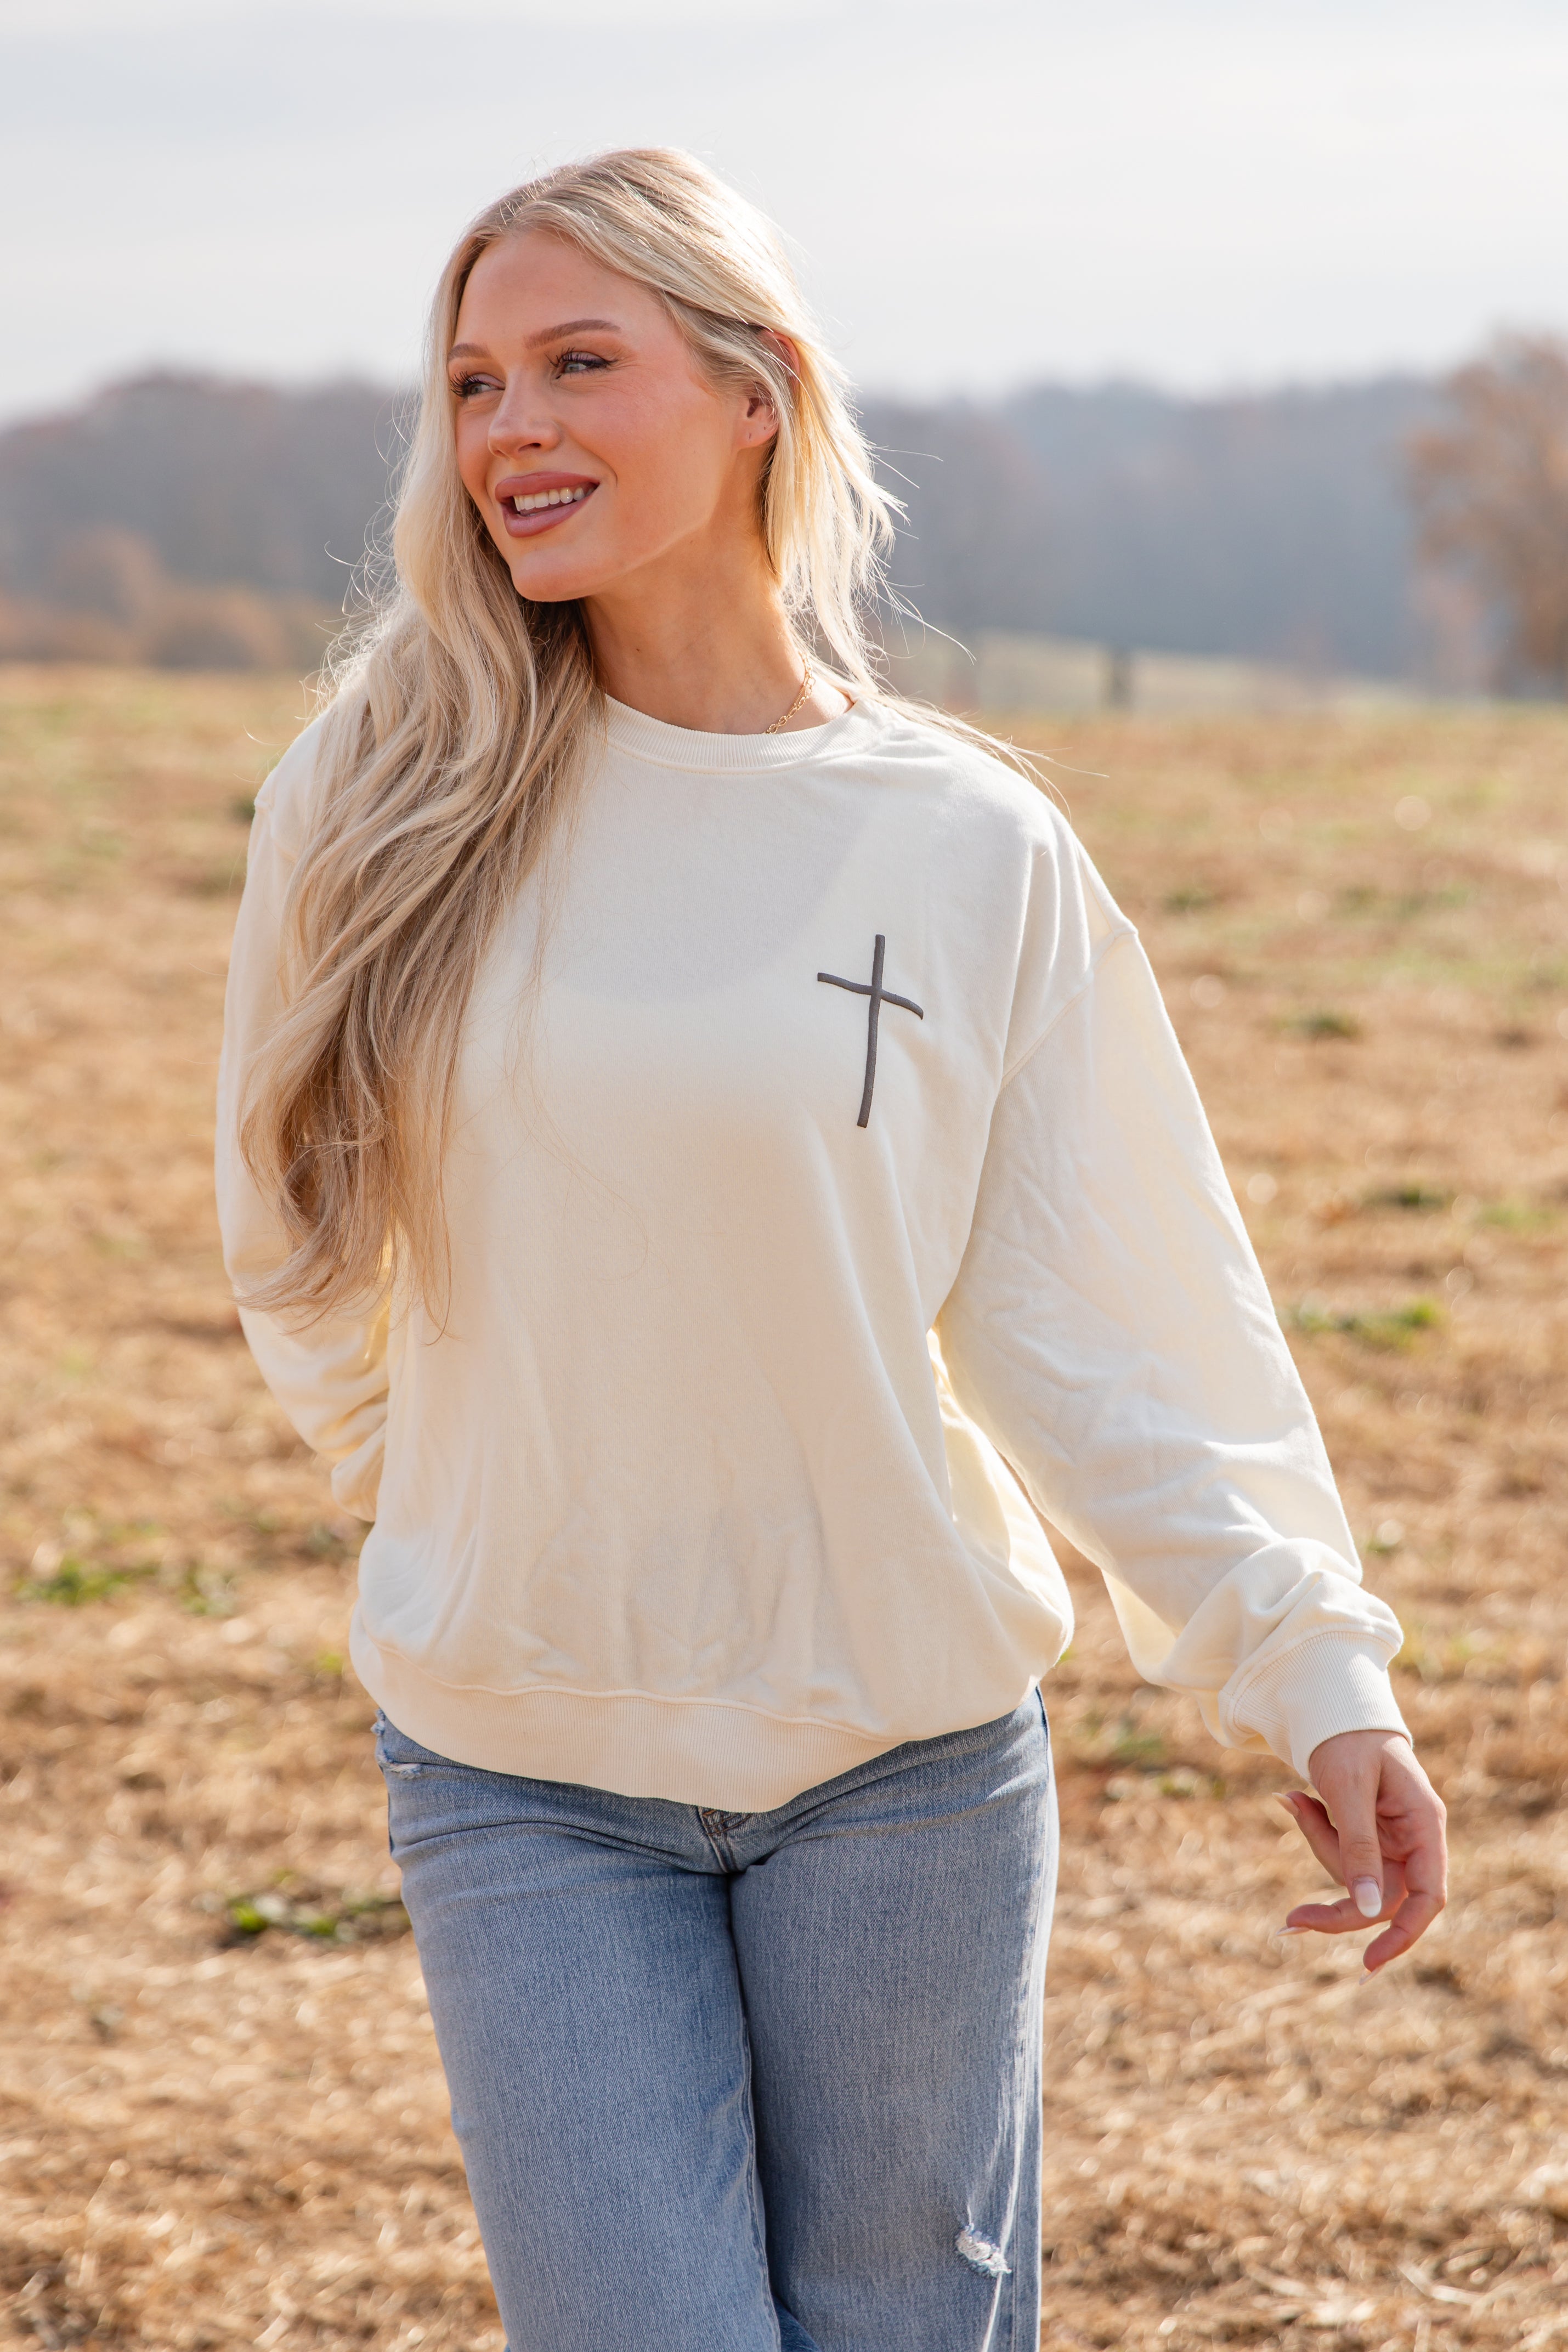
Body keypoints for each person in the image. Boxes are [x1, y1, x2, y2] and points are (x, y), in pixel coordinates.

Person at [216, 148, 1446, 2352]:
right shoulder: (382, 793)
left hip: (904, 1764)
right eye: (475, 381)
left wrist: (1310, 1665)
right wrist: (468, 1496)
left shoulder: (966, 843)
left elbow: (1110, 1308)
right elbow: (289, 1219)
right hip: (524, 1762)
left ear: (757, 390)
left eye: (578, 363)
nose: (510, 430)